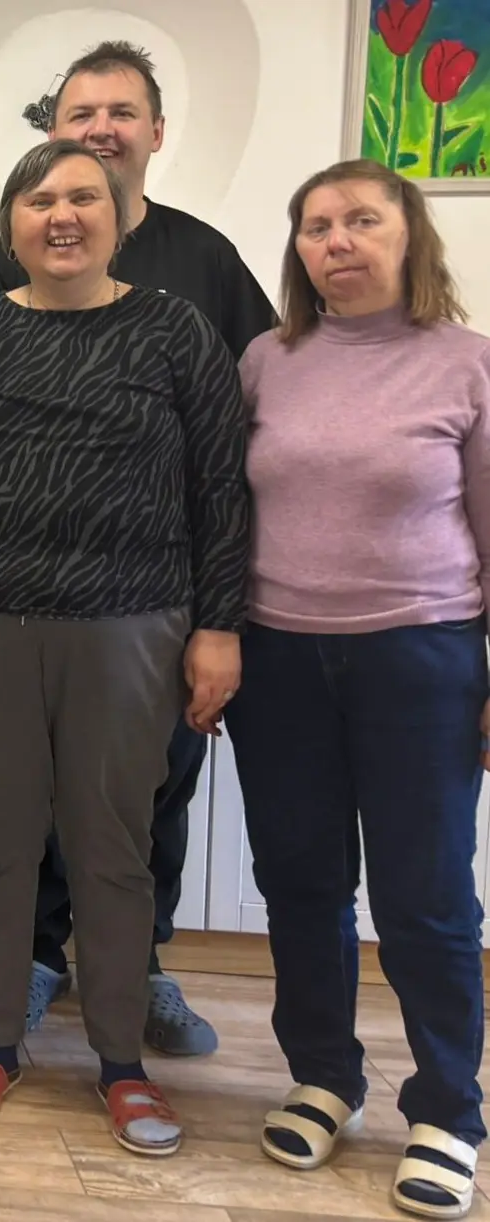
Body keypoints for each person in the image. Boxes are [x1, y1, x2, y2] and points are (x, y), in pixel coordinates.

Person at [0, 139, 250, 1157]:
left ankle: (122, 1063)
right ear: (11, 223)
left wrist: (218, 624)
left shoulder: (174, 330)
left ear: (120, 215)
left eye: (84, 196)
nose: (62, 215)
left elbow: (221, 486)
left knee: (111, 848)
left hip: (130, 626)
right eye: (39, 198)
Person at [0, 40, 276, 1057]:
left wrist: (218, 617)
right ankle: (35, 962)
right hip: (12, 603)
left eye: (120, 112)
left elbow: (244, 440)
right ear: (50, 135)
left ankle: (138, 971)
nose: (99, 129)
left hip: (149, 603)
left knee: (147, 800)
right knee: (21, 805)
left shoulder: (205, 262)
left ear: (155, 132)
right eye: (80, 113)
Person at [228, 159, 490, 1220]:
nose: (337, 240)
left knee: (425, 896)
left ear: (407, 234)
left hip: (420, 657)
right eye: (316, 225)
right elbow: (227, 508)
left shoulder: (467, 364)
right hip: (279, 658)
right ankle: (324, 1078)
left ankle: (448, 1109)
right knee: (300, 881)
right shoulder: (266, 360)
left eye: (361, 220)